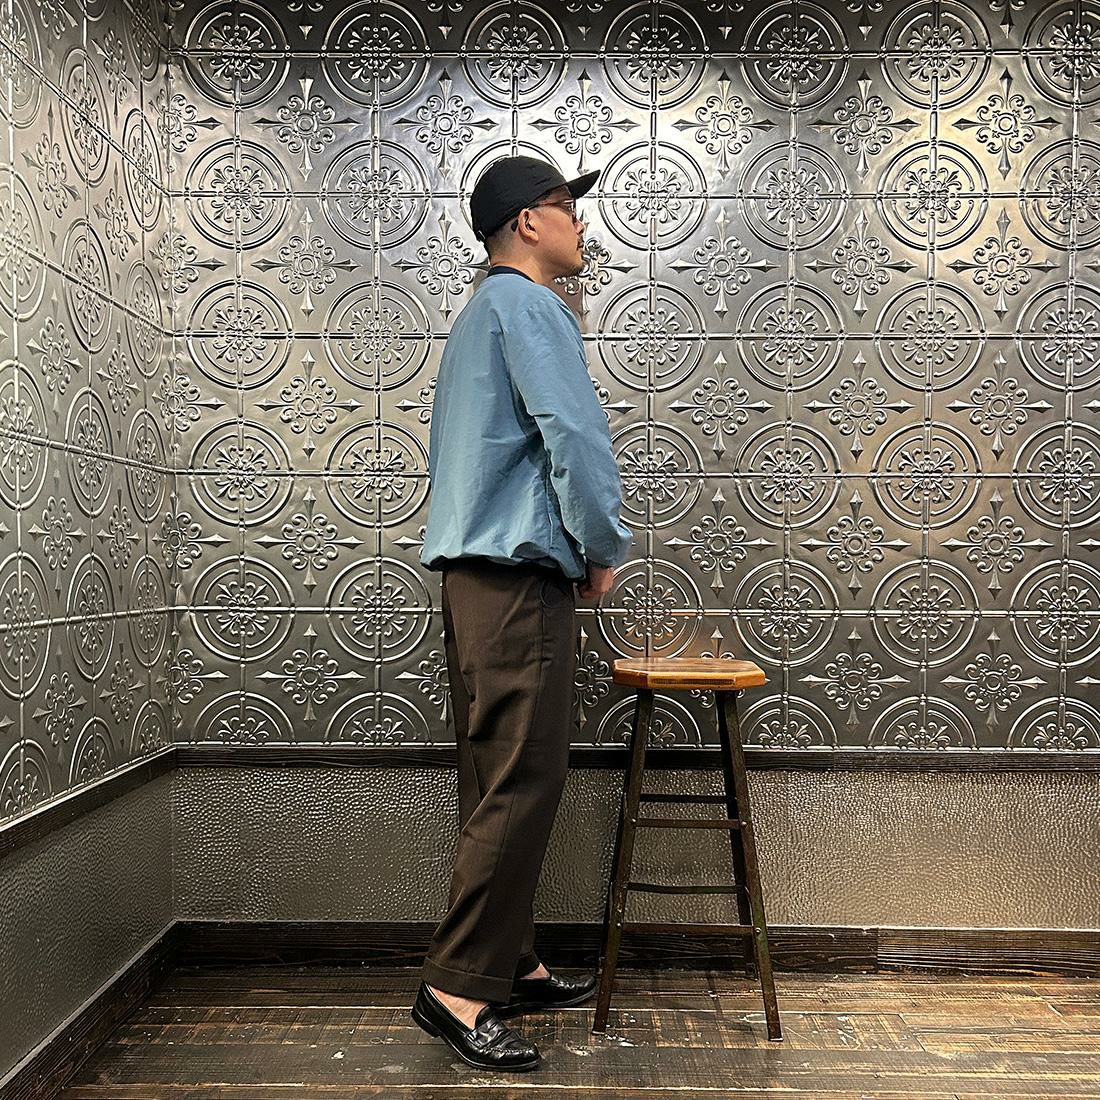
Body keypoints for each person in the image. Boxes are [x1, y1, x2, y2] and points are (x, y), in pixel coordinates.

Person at [411, 155, 633, 1072]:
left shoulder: (477, 316)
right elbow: (572, 433)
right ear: (530, 222)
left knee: (490, 778)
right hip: (517, 578)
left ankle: (511, 960)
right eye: (568, 208)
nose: (581, 225)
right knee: (520, 783)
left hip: (472, 578)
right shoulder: (533, 307)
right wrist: (602, 545)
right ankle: (458, 990)